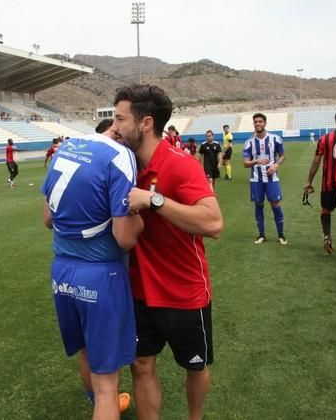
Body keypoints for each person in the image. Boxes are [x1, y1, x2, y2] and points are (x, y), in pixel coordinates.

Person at [109, 84, 223, 420]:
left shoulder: (179, 164)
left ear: (145, 123)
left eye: (119, 119)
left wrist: (154, 201)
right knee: (141, 366)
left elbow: (214, 222)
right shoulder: (123, 163)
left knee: (195, 367)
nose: (114, 127)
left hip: (184, 291)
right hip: (139, 290)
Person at [42, 126, 143, 419]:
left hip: (62, 272)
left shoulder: (65, 149)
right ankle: (102, 404)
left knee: (86, 349)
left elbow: (48, 218)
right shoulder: (119, 156)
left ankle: (95, 400)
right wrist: (140, 221)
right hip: (101, 275)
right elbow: (125, 238)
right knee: (107, 387)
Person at [303, 110, 336, 255]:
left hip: (328, 183)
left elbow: (316, 161)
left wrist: (309, 181)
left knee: (326, 211)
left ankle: (327, 236)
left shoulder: (324, 139)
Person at [243, 113, 287, 245]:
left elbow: (283, 155)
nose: (258, 124)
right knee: (259, 205)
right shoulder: (249, 143)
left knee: (275, 204)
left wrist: (276, 165)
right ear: (253, 124)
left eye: (260, 121)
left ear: (265, 123)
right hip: (256, 180)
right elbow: (245, 163)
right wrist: (257, 161)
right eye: (255, 122)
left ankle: (281, 234)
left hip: (272, 178)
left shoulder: (275, 139)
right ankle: (261, 235)